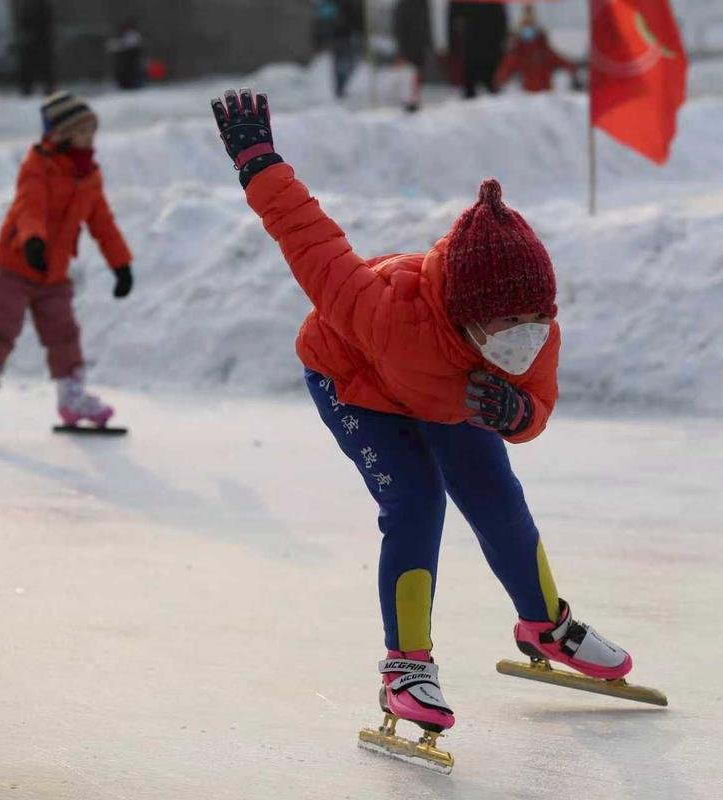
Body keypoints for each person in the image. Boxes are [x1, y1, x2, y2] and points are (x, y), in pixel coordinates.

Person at [210, 89, 633, 739]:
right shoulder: (384, 309)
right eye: (508, 321)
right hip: (354, 382)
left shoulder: (537, 336)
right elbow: (311, 240)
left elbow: (538, 408)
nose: (525, 333)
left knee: (495, 492)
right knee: (415, 502)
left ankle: (545, 624)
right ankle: (406, 667)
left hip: (441, 392)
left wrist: (516, 412)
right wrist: (258, 162)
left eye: (536, 316)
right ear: (467, 316)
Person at [0, 92, 134, 430]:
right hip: (15, 265)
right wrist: (33, 242)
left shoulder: (89, 176)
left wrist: (121, 265)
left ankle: (71, 396)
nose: (89, 139)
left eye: (92, 131)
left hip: (53, 273)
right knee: (1, 326)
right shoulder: (38, 166)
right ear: (61, 135)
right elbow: (30, 208)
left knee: (64, 335)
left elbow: (103, 224)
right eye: (82, 132)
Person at [495, 6, 579, 93]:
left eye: (531, 26)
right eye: (525, 27)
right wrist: (500, 81)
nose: (528, 31)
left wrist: (573, 69)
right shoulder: (517, 53)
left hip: (546, 94)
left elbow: (561, 61)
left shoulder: (544, 50)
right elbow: (504, 70)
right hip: (526, 95)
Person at [448, 0, 508, 99]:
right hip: (471, 39)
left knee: (491, 82)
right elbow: (456, 18)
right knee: (470, 74)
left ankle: (490, 87)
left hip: (490, 40)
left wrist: (503, 37)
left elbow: (501, 17)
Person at [314, 0, 365, 99]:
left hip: (350, 35)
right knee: (342, 63)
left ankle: (340, 87)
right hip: (340, 36)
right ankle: (340, 88)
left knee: (350, 62)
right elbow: (323, 19)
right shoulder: (333, 4)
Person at [392, 0, 432, 113]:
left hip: (420, 45)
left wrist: (428, 43)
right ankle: (410, 101)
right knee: (409, 75)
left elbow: (426, 24)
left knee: (417, 74)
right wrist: (401, 50)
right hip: (408, 46)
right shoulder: (404, 5)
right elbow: (399, 28)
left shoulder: (423, 4)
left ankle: (414, 100)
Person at [14, 0, 55, 96]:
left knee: (41, 65)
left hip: (40, 40)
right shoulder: (31, 6)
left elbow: (47, 22)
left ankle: (42, 87)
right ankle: (29, 87)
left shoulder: (36, 6)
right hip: (35, 40)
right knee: (32, 66)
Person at [107, 19, 145, 91]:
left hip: (131, 60)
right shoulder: (122, 35)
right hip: (124, 61)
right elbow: (113, 46)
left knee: (131, 73)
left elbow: (130, 44)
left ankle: (131, 85)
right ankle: (125, 85)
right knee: (124, 73)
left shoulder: (134, 34)